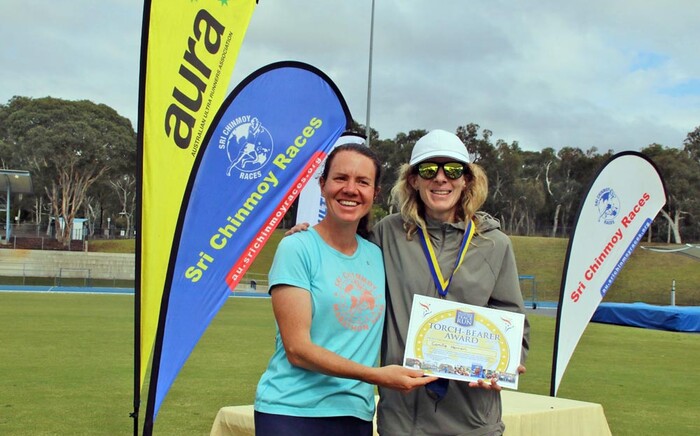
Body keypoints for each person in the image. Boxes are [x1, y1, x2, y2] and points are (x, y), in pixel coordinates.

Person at [254, 143, 436, 436]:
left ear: (375, 193)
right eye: (340, 178)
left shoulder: (377, 254)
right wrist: (376, 376)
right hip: (292, 411)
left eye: (363, 182)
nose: (350, 189)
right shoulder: (297, 248)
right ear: (322, 185)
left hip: (355, 415)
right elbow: (297, 350)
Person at [373, 129, 530, 435]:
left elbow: (513, 318)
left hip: (473, 420)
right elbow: (343, 254)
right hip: (404, 421)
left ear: (466, 179)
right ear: (413, 180)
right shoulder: (387, 233)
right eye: (429, 170)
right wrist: (310, 237)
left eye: (453, 170)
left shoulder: (495, 243)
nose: (441, 178)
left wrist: (508, 362)